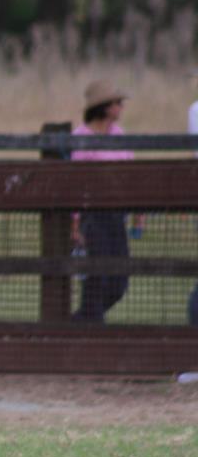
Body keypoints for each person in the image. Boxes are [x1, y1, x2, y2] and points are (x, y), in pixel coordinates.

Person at [70, 80, 136, 323]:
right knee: (96, 279)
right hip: (93, 216)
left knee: (119, 281)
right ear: (105, 107)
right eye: (118, 103)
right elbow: (75, 183)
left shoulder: (119, 135)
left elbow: (131, 170)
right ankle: (91, 328)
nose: (121, 107)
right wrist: (75, 223)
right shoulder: (81, 138)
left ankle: (78, 324)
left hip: (116, 215)